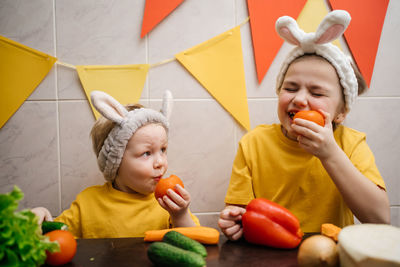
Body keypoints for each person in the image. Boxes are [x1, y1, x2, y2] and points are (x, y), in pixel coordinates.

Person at [218, 10, 390, 240]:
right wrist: (234, 222)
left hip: (329, 254)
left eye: (316, 92)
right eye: (290, 88)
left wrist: (330, 154)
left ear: (341, 113)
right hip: (269, 253)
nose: (299, 99)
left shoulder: (350, 144)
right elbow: (239, 213)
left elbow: (379, 218)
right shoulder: (254, 143)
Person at [32, 90, 199, 238]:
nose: (161, 162)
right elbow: (55, 240)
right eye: (146, 153)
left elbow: (197, 244)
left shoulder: (168, 204)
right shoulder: (87, 203)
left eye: (163, 150)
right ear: (115, 161)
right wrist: (41, 218)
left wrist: (181, 216)